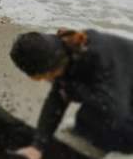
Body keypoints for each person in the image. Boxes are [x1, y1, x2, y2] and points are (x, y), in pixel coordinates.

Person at [10, 29, 133, 158]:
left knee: (116, 130)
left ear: (52, 68)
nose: (45, 80)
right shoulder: (63, 52)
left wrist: (74, 90)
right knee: (84, 124)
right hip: (121, 94)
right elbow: (57, 99)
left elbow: (114, 109)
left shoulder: (99, 57)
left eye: (42, 77)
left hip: (120, 101)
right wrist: (37, 147)